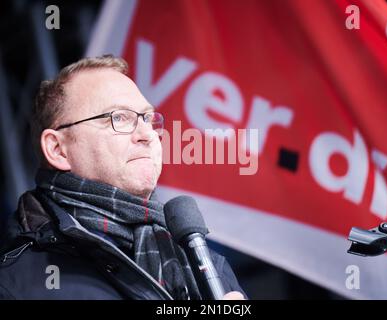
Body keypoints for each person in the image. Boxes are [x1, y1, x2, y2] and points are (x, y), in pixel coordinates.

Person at [0, 55, 246, 300]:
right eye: (118, 117)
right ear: (57, 149)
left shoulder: (209, 266)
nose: (147, 135)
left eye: (147, 118)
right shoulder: (16, 284)